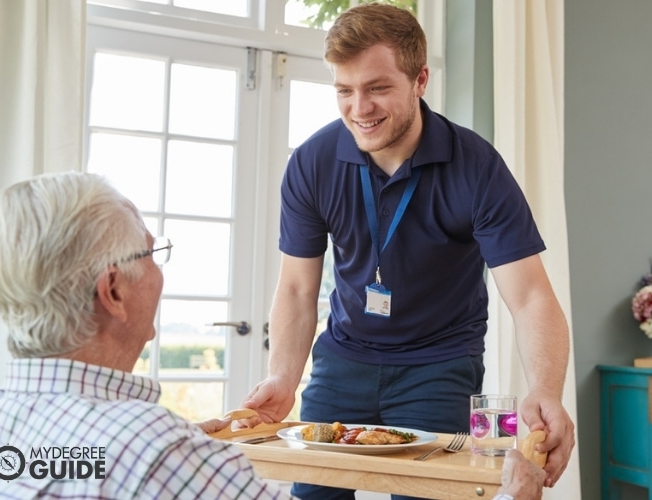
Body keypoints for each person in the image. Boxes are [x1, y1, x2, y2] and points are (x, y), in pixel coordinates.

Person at [240, 3, 575, 499]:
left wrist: (546, 391)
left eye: (377, 88)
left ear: (420, 80)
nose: (360, 108)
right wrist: (283, 377)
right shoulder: (312, 163)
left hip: (438, 365)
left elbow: (530, 297)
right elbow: (295, 287)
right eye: (345, 91)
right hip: (343, 360)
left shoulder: (477, 167)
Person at [0, 172, 291, 499]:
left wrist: (180, 452)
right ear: (113, 291)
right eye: (150, 254)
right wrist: (176, 453)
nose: (159, 272)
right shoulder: (154, 450)